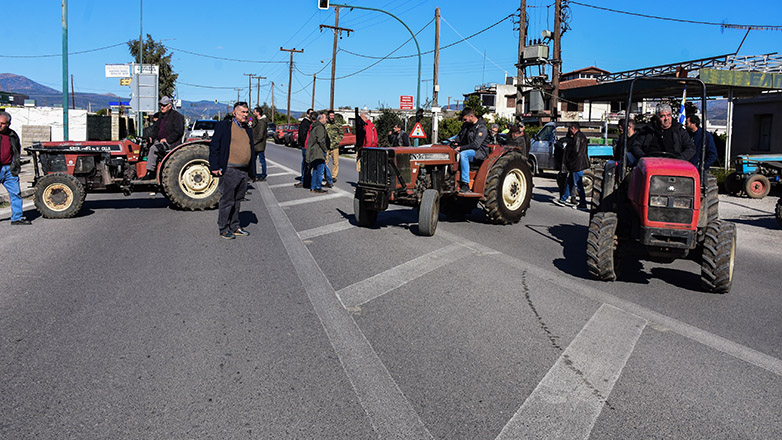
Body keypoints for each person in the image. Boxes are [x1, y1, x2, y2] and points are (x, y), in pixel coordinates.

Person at [208, 102, 256, 240]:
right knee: (227, 200)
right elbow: (214, 147)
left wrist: (252, 172)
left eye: (247, 112)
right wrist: (214, 167)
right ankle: (224, 228)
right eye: (242, 112)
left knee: (237, 200)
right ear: (234, 113)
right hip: (229, 169)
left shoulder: (247, 129)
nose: (245, 115)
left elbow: (251, 150)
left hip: (243, 171)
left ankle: (235, 226)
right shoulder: (224, 126)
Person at [629, 104, 695, 162]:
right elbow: (636, 146)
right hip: (651, 164)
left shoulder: (679, 130)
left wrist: (680, 159)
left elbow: (690, 148)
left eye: (668, 115)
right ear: (657, 117)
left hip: (674, 164)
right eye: (662, 116)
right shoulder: (647, 130)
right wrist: (643, 158)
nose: (666, 118)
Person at [142, 96, 185, 179]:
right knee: (145, 147)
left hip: (171, 143)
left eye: (164, 105)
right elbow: (156, 129)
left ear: (169, 106)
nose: (162, 107)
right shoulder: (161, 116)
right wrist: (151, 137)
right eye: (161, 105)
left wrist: (167, 139)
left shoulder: (176, 116)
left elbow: (178, 131)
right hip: (160, 141)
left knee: (153, 149)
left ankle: (150, 172)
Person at [0, 111, 30, 225]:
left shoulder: (12, 135)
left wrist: (15, 165)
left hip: (9, 169)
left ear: (8, 124)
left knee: (16, 193)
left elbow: (16, 151)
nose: (0, 125)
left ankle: (17, 218)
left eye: (3, 123)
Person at [554, 122, 590, 209]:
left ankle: (583, 203)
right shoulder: (581, 136)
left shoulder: (577, 137)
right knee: (570, 182)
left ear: (573, 128)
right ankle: (563, 199)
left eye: (570, 128)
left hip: (576, 164)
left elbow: (575, 151)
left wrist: (569, 161)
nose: (569, 130)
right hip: (577, 164)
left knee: (578, 184)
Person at [453, 108, 490, 193]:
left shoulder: (481, 128)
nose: (464, 121)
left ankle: (465, 183)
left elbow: (476, 145)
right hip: (469, 149)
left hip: (479, 152)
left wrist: (461, 148)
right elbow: (460, 137)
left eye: (465, 119)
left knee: (464, 154)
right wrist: (455, 142)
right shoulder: (467, 126)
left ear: (471, 116)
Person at [307, 113, 330, 193]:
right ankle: (317, 187)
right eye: (325, 118)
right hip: (318, 151)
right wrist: (325, 149)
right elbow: (321, 140)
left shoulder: (315, 126)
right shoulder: (320, 127)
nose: (326, 119)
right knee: (320, 170)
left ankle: (313, 187)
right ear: (321, 119)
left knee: (315, 170)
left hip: (314, 151)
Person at [295, 109, 314, 188]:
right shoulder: (305, 123)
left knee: (309, 164)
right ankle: (304, 180)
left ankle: (308, 179)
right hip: (306, 146)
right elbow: (302, 135)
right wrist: (306, 144)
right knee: (306, 164)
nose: (312, 115)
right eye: (311, 114)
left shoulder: (311, 123)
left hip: (310, 146)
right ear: (307, 115)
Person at [325, 110, 343, 183]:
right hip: (326, 146)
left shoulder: (337, 124)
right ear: (328, 116)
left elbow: (341, 134)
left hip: (334, 146)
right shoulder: (325, 123)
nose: (332, 117)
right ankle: (325, 175)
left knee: (335, 162)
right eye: (331, 116)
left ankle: (333, 176)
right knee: (325, 161)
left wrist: (336, 141)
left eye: (333, 115)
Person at [251, 107, 268, 181]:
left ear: (258, 113)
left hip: (259, 145)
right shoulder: (258, 121)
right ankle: (253, 174)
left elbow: (260, 135)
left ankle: (263, 175)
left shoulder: (262, 122)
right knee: (254, 160)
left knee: (261, 160)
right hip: (257, 145)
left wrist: (253, 142)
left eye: (254, 112)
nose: (253, 113)